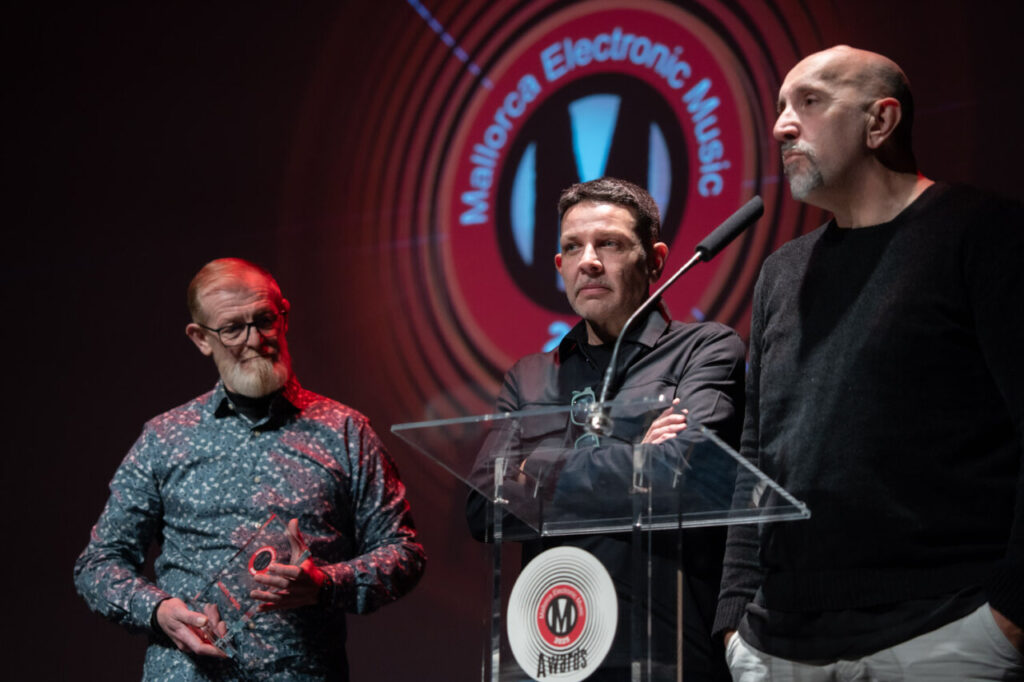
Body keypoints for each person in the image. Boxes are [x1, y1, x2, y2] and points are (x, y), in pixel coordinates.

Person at [714, 45, 1024, 679]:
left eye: (809, 101)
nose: (781, 126)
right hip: (776, 646)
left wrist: (1013, 613)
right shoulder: (781, 272)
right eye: (780, 107)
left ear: (880, 122)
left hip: (944, 630)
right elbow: (755, 456)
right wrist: (733, 620)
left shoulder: (983, 235)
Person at [74, 258, 426, 681]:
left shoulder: (345, 432)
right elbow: (98, 563)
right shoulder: (165, 438)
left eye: (264, 320)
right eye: (232, 328)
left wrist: (326, 584)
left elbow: (404, 553)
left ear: (285, 317)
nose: (255, 340)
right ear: (201, 338)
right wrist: (159, 611)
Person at [473, 177, 745, 680]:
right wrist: (637, 454)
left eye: (610, 244)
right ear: (560, 265)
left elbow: (679, 474)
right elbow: (483, 507)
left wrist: (539, 468)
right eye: (573, 247)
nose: (589, 261)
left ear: (656, 260)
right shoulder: (530, 376)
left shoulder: (705, 350)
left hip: (667, 651)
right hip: (556, 648)